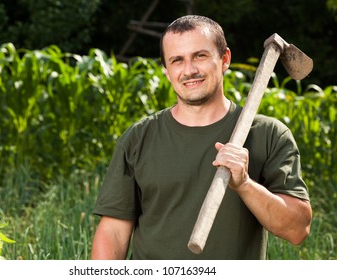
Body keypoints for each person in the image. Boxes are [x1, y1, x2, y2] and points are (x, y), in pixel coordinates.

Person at [91, 15, 312, 260]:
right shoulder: (139, 137)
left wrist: (245, 185)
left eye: (200, 56)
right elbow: (113, 232)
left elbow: (297, 230)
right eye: (177, 60)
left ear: (224, 59)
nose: (189, 70)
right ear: (166, 70)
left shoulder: (269, 135)